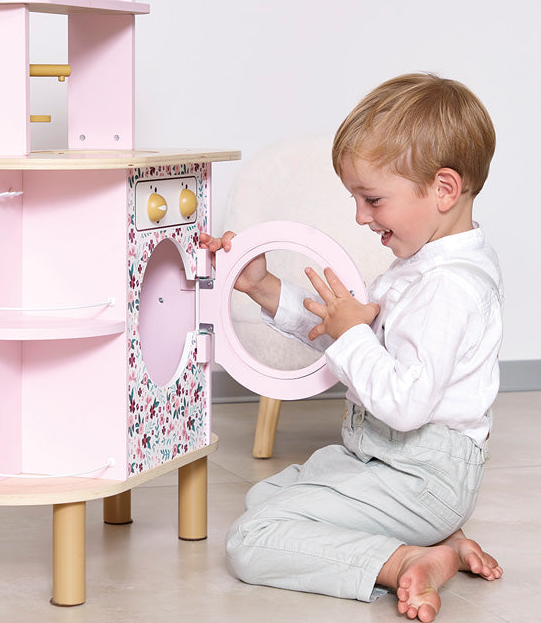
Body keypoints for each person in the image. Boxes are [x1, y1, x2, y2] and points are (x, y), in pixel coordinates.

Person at [200, 73, 503, 622]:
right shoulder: (421, 267)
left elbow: (403, 403)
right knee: (265, 499)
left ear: (443, 189)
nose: (361, 217)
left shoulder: (448, 289)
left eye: (372, 199)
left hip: (420, 475)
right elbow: (347, 337)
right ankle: (441, 539)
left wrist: (351, 333)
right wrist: (264, 288)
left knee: (253, 537)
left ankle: (405, 558)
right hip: (388, 461)